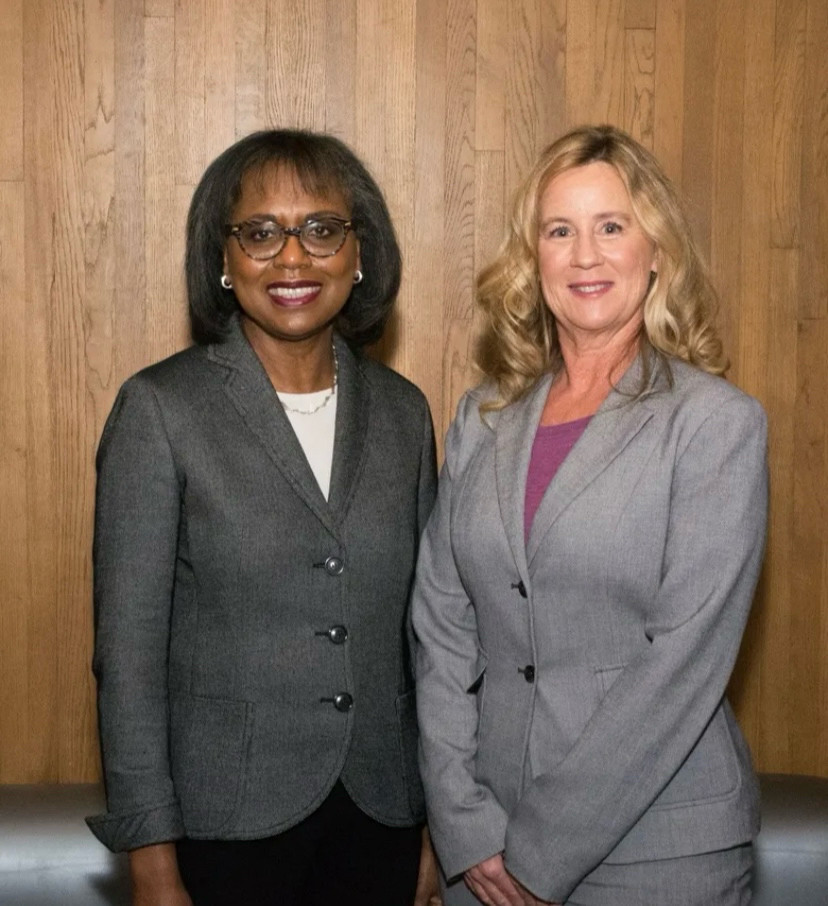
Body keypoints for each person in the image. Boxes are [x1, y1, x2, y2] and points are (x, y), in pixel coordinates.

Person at [412, 124, 768, 906]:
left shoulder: (714, 425)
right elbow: (440, 628)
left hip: (658, 854)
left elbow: (683, 663)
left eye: (612, 227)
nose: (585, 255)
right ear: (531, 258)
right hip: (487, 852)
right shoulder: (483, 419)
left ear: (657, 251)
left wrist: (542, 853)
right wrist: (463, 822)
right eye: (559, 231)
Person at [87, 129, 438, 906]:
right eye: (260, 232)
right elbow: (129, 658)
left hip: (381, 818)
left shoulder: (404, 414)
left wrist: (431, 826)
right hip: (223, 833)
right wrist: (150, 860)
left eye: (321, 230)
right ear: (223, 257)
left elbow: (424, 641)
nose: (291, 259)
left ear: (359, 253)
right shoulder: (160, 411)